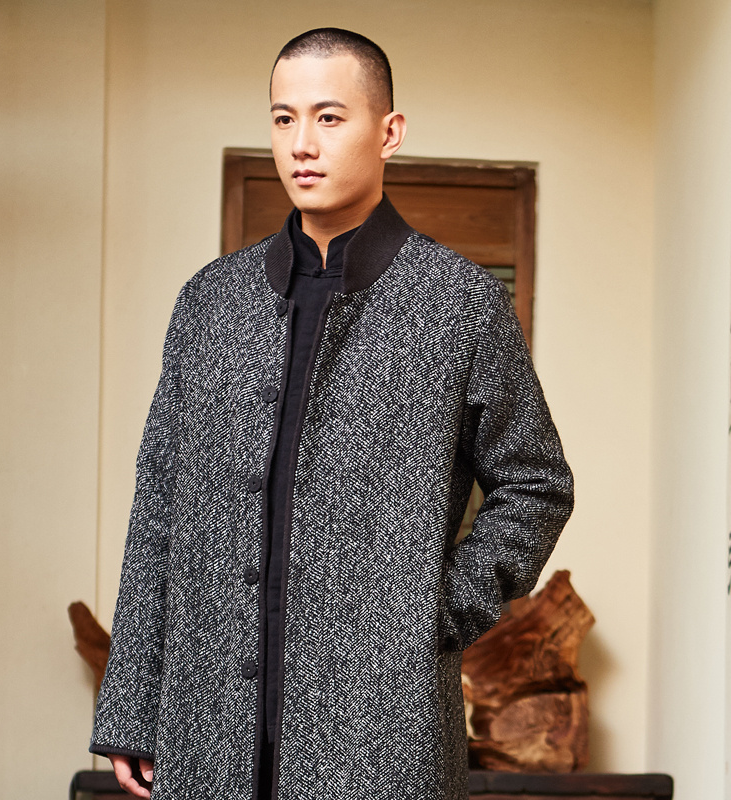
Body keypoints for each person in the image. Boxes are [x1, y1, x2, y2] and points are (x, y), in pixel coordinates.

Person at [89, 27, 574, 800]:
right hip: (207, 726)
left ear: (389, 131)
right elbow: (159, 505)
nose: (301, 145)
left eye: (328, 117)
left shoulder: (460, 304)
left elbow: (536, 483)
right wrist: (131, 709)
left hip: (382, 729)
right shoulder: (209, 303)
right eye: (283, 119)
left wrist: (436, 610)